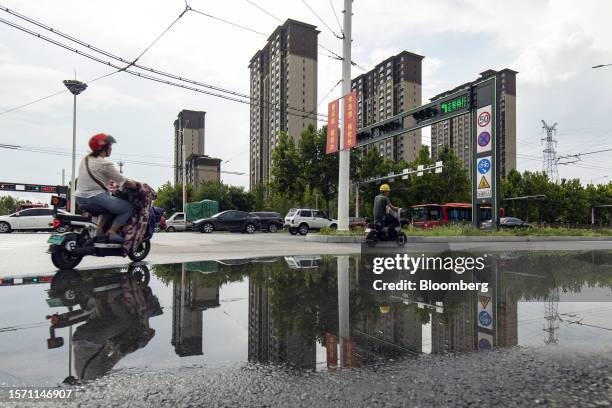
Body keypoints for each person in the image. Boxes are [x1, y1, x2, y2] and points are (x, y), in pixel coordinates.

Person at [75, 133, 138, 242]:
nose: (111, 148)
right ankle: (112, 232)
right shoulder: (105, 164)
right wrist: (136, 185)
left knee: (110, 207)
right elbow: (123, 181)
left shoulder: (85, 159)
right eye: (110, 146)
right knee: (128, 208)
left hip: (79, 198)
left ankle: (99, 231)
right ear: (103, 147)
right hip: (95, 197)